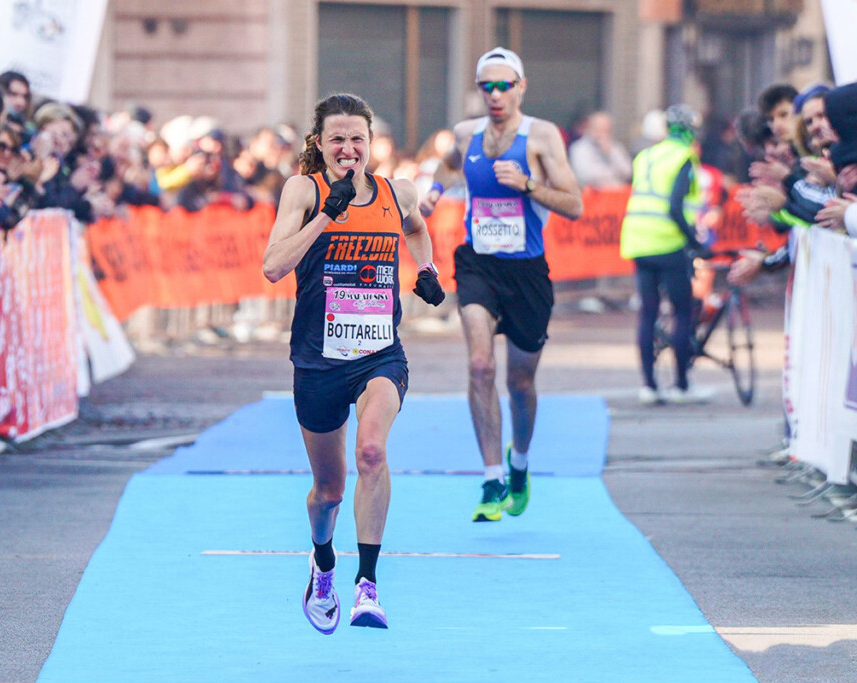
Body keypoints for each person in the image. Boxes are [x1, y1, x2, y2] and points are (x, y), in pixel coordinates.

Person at [262, 92, 444, 634]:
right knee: (329, 493)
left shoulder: (396, 190)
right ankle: (323, 562)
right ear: (320, 144)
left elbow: (413, 225)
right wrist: (326, 216)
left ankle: (368, 586)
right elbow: (273, 266)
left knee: (371, 450)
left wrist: (426, 267)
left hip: (378, 354)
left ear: (371, 145)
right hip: (318, 361)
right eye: (337, 138)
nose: (347, 148)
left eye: (357, 139)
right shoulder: (303, 190)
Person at [420, 47, 583, 523]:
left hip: (528, 272)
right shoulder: (466, 133)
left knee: (521, 380)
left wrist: (529, 185)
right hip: (478, 266)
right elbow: (449, 163)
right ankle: (491, 479)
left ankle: (519, 463)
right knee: (479, 365)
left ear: (521, 87)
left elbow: (573, 204)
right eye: (486, 86)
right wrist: (434, 190)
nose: (495, 95)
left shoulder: (542, 136)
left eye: (503, 85)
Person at [620, 104, 714, 406]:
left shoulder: (646, 155)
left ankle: (649, 386)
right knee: (682, 312)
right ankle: (682, 385)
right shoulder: (683, 158)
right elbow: (675, 206)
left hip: (638, 240)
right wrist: (695, 243)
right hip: (668, 243)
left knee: (647, 313)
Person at [568, 110, 632, 188]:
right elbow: (585, 175)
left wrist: (611, 153)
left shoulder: (615, 147)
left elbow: (628, 172)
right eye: (599, 129)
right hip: (590, 196)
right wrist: (614, 175)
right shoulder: (579, 148)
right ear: (590, 128)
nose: (603, 133)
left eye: (607, 130)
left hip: (616, 195)